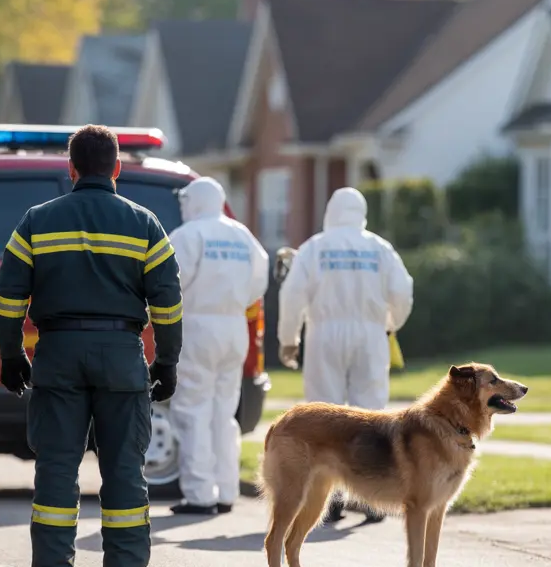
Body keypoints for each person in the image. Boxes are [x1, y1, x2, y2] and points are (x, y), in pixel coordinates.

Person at [0, 124, 182, 567]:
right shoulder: (145, 224)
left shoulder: (37, 220)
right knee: (123, 469)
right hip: (121, 357)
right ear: (117, 168)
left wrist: (12, 353)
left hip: (57, 356)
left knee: (57, 467)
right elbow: (167, 301)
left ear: (71, 168)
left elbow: (10, 294)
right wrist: (167, 361)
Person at [277, 187, 414, 524]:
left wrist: (288, 338)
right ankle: (371, 498)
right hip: (369, 335)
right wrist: (389, 323)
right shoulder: (379, 249)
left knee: (325, 416)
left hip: (325, 332)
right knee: (373, 415)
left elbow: (292, 295)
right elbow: (402, 291)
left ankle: (331, 499)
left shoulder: (315, 248)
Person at [166, 177, 269, 515]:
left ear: (195, 202)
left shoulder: (188, 236)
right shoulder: (243, 236)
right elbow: (259, 281)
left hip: (198, 325)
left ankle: (199, 495)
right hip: (233, 326)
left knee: (192, 409)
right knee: (224, 412)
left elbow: (169, 282)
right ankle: (225, 491)